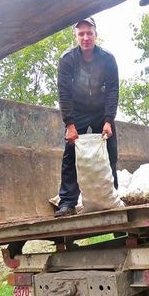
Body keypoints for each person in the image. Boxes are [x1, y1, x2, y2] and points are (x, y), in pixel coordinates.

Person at [54, 17, 119, 217]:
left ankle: (112, 197)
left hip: (101, 110)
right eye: (81, 33)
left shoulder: (107, 59)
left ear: (96, 35)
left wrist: (108, 120)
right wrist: (70, 124)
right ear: (76, 36)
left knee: (110, 151)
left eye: (89, 33)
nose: (85, 37)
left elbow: (112, 90)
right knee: (70, 153)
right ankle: (67, 202)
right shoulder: (68, 59)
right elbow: (64, 93)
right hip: (78, 111)